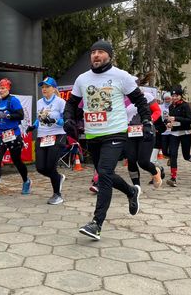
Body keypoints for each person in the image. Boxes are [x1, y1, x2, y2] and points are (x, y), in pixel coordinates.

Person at [63, 40, 153, 240]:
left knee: (102, 173)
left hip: (115, 133)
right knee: (106, 175)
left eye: (101, 52)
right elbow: (72, 103)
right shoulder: (82, 79)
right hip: (93, 134)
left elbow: (140, 100)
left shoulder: (122, 76)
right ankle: (131, 191)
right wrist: (68, 118)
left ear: (109, 55)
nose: (96, 55)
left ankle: (96, 223)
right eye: (93, 52)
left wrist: (147, 121)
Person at [0, 78, 31, 196]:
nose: (0, 90)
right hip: (1, 135)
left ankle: (26, 181)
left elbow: (20, 115)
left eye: (3, 88)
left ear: (8, 88)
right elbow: (1, 117)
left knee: (16, 161)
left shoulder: (13, 100)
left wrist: (8, 115)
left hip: (13, 135)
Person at [26, 77, 66, 205]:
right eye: (42, 87)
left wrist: (55, 121)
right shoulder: (39, 102)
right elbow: (39, 119)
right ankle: (58, 178)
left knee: (50, 166)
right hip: (42, 137)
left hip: (57, 135)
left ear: (54, 89)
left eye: (47, 87)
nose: (44, 89)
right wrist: (34, 126)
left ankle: (57, 194)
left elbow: (67, 121)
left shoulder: (61, 102)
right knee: (40, 168)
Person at [124, 87, 163, 188]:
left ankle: (155, 171)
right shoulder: (123, 99)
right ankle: (137, 187)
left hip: (146, 131)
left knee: (143, 162)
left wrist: (149, 121)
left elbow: (157, 111)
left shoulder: (147, 96)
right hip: (130, 133)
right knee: (131, 160)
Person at [165, 87, 191, 187]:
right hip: (174, 133)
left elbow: (190, 120)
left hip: (185, 133)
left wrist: (176, 118)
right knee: (173, 154)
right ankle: (173, 178)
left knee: (186, 156)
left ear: (180, 96)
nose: (174, 97)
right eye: (172, 96)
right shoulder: (170, 107)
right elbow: (170, 120)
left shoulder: (185, 105)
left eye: (176, 96)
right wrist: (169, 123)